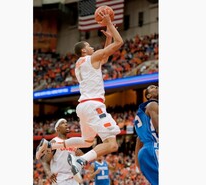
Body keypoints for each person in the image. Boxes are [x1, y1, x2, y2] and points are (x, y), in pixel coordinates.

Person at [36, 9, 123, 183]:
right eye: (89, 46)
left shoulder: (80, 63)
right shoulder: (91, 58)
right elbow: (119, 42)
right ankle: (80, 160)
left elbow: (103, 57)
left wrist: (107, 37)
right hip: (93, 105)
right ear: (84, 51)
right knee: (112, 144)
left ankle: (52, 144)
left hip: (83, 106)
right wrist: (109, 24)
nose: (92, 47)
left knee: (87, 141)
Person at [37, 118, 84, 185]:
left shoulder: (71, 142)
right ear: (58, 128)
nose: (66, 124)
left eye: (66, 122)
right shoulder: (54, 141)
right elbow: (45, 161)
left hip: (73, 178)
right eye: (62, 123)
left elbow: (83, 156)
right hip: (60, 179)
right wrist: (49, 173)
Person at [134, 85, 159, 185]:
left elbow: (139, 140)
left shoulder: (141, 113)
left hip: (145, 152)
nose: (157, 87)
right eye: (153, 87)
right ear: (148, 96)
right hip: (154, 148)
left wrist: (137, 161)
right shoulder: (153, 104)